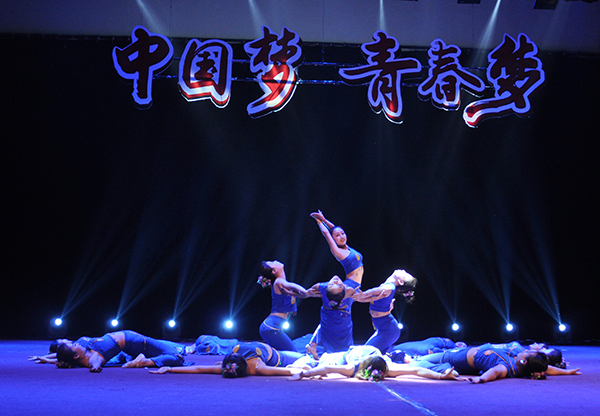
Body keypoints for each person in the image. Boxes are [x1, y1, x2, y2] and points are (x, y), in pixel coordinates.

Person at [308, 210, 364, 353]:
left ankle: (315, 344)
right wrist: (319, 221)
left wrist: (324, 219)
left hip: (354, 285)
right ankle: (318, 345)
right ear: (334, 239)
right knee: (337, 316)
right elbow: (327, 234)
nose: (341, 236)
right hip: (349, 285)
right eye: (337, 236)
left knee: (337, 315)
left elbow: (333, 229)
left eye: (342, 233)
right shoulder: (338, 251)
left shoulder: (347, 248)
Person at [288, 344, 460, 382]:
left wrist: (440, 376)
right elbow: (326, 367)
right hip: (349, 354)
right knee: (322, 362)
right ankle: (314, 355)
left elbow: (416, 371)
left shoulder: (388, 368)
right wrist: (303, 373)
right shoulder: (351, 367)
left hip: (374, 353)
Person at [149, 341, 305, 377]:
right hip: (265, 354)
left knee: (303, 357)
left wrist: (302, 371)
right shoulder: (228, 365)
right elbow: (198, 368)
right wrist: (169, 368)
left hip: (276, 355)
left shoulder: (257, 367)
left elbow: (286, 370)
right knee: (305, 359)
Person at [409, 344, 549, 383]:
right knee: (422, 359)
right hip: (461, 354)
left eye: (527, 353)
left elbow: (494, 372)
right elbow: (548, 368)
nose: (525, 351)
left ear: (524, 361)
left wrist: (481, 379)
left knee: (415, 364)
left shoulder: (505, 367)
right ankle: (443, 368)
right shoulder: (516, 360)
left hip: (456, 359)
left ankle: (443, 369)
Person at [352, 269, 418, 353]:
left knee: (365, 353)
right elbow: (370, 298)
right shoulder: (387, 286)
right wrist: (358, 297)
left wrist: (360, 295)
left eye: (404, 273)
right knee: (371, 352)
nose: (403, 270)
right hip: (386, 328)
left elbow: (370, 293)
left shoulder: (388, 287)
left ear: (401, 282)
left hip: (388, 331)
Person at [55, 330, 186, 372]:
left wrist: (50, 359)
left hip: (133, 343)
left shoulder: (85, 353)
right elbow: (95, 363)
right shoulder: (93, 357)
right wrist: (95, 367)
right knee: (177, 357)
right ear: (76, 355)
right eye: (74, 345)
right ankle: (144, 362)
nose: (77, 343)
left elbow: (63, 358)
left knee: (168, 351)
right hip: (139, 343)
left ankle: (143, 360)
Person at [258, 260, 309, 352]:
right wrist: (306, 291)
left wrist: (309, 293)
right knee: (294, 353)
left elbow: (304, 295)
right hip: (271, 327)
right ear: (274, 271)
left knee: (284, 353)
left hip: (270, 327)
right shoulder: (279, 282)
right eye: (272, 263)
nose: (275, 261)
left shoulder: (282, 285)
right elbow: (295, 287)